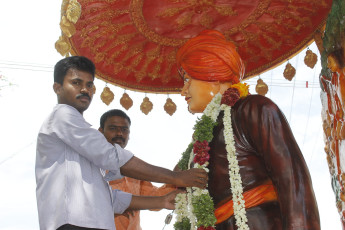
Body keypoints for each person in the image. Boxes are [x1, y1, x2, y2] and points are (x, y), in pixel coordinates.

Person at [35, 56, 208, 230]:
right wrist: (176, 177)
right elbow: (111, 156)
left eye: (89, 85)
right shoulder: (63, 115)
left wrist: (161, 200)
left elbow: (111, 198)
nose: (85, 90)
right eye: (76, 83)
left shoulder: (79, 142)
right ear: (57, 88)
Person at [175, 30, 320, 229]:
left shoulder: (254, 109)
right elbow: (175, 184)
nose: (183, 91)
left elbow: (293, 181)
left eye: (187, 80)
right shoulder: (199, 141)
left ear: (213, 76)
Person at [98, 109, 176, 230]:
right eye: (113, 128)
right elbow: (83, 205)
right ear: (100, 132)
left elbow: (156, 199)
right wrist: (118, 208)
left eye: (124, 129)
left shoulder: (134, 170)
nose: (119, 133)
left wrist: (178, 174)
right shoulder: (90, 164)